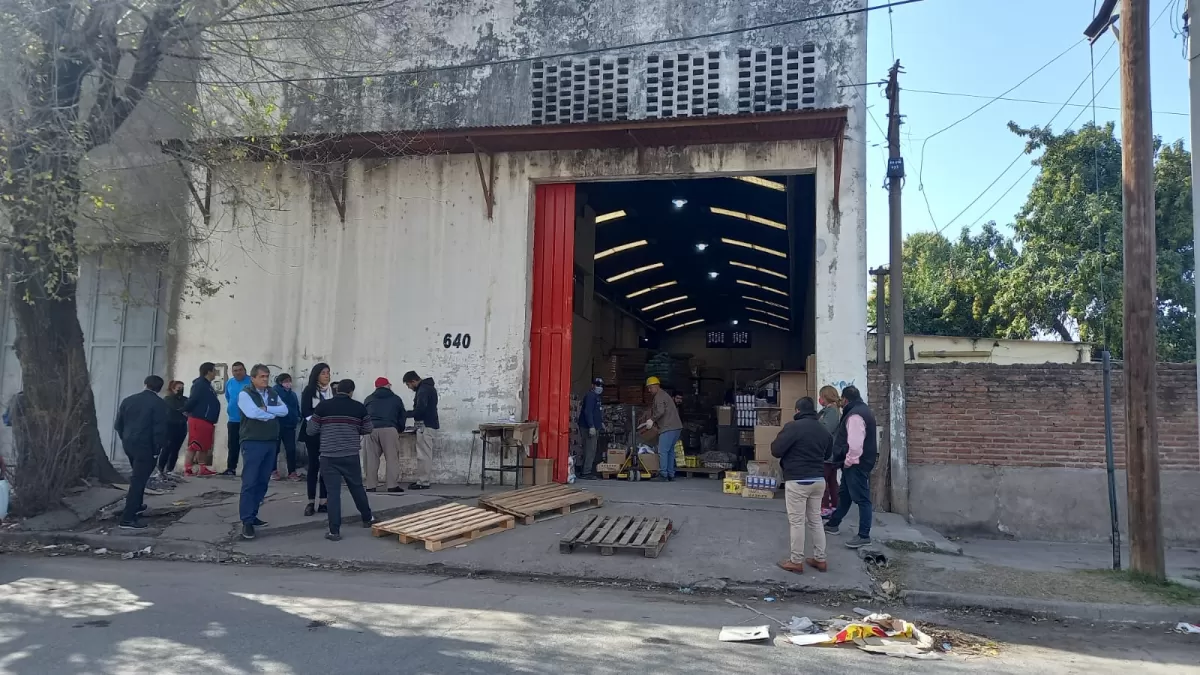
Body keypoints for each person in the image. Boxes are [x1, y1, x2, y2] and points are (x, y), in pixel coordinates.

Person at [771, 397, 832, 573]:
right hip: (818, 480)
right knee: (815, 520)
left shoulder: (793, 427)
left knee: (797, 522)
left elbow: (776, 450)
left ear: (797, 410)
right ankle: (820, 559)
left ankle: (796, 561)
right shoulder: (823, 430)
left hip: (797, 480)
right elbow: (828, 453)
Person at [310, 379, 376, 541]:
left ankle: (334, 531)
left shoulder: (323, 406)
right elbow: (368, 428)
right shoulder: (358, 407)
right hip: (350, 455)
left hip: (328, 456)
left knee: (333, 494)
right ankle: (367, 519)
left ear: (337, 389)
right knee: (357, 488)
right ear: (351, 391)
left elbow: (311, 430)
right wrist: (354, 429)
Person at [236, 364, 289, 540]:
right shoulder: (245, 394)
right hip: (252, 441)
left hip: (270, 442)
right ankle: (247, 521)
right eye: (261, 377)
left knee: (263, 481)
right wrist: (270, 414)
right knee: (250, 481)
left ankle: (253, 514)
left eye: (267, 376)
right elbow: (252, 413)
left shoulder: (272, 393)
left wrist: (267, 410)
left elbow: (284, 410)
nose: (265, 379)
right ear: (253, 378)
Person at [823, 385, 878, 549]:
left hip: (856, 463)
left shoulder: (854, 416)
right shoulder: (863, 410)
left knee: (862, 499)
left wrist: (848, 461)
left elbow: (854, 444)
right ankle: (833, 523)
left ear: (845, 399)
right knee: (845, 495)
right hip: (858, 462)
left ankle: (864, 535)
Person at [113, 376, 169, 530]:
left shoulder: (129, 400)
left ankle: (137, 505)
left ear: (145, 384)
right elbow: (159, 430)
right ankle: (128, 518)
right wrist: (157, 451)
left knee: (139, 477)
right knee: (138, 480)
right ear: (159, 388)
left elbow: (118, 425)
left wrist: (126, 439)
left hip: (129, 443)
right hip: (146, 446)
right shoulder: (159, 404)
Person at [300, 362, 333, 516]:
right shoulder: (309, 390)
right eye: (323, 373)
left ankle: (324, 501)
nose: (327, 375)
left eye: (328, 372)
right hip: (313, 432)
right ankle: (311, 501)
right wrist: (317, 423)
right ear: (317, 375)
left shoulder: (332, 391)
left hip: (328, 433)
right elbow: (305, 411)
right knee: (313, 466)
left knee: (326, 466)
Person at [363, 377, 406, 493]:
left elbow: (363, 415)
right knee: (392, 458)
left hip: (371, 430)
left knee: (371, 459)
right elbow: (402, 416)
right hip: (389, 429)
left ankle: (370, 485)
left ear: (376, 387)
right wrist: (399, 429)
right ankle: (392, 485)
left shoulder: (369, 398)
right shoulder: (395, 399)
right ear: (387, 385)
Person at [640, 377, 682, 481]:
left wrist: (652, 420)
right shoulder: (664, 395)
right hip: (676, 428)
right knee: (670, 451)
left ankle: (663, 474)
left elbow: (660, 411)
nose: (649, 391)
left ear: (655, 386)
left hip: (668, 428)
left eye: (650, 388)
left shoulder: (659, 396)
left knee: (662, 451)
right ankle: (670, 474)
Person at [182, 362, 221, 476]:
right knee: (195, 444)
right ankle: (188, 468)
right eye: (214, 371)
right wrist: (184, 409)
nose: (215, 374)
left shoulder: (207, 385)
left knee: (204, 445)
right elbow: (193, 399)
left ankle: (202, 468)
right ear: (208, 371)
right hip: (199, 418)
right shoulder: (200, 384)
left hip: (207, 419)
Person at [404, 371, 438, 490]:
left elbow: (420, 409)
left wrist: (405, 414)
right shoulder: (428, 388)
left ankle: (423, 482)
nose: (409, 388)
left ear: (413, 381)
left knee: (423, 455)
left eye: (408, 385)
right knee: (425, 454)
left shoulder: (423, 390)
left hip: (425, 425)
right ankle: (423, 480)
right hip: (428, 425)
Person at [817, 385, 842, 518]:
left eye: (821, 396)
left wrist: (817, 423)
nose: (819, 399)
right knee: (831, 481)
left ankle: (825, 507)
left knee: (823, 481)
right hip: (831, 452)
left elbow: (827, 429)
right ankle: (834, 507)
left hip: (828, 453)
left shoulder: (832, 411)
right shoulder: (828, 410)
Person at [222, 362, 251, 476]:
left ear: (245, 370)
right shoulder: (230, 382)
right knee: (232, 445)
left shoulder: (251, 381)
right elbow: (228, 398)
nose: (238, 372)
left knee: (248, 446)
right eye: (235, 370)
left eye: (240, 370)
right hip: (233, 419)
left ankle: (249, 469)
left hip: (248, 420)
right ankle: (231, 468)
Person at [273, 373, 301, 481]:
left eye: (289, 380)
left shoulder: (292, 394)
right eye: (286, 381)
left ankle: (292, 472)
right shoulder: (275, 392)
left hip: (290, 425)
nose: (288, 383)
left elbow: (296, 407)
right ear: (280, 382)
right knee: (275, 449)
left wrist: (298, 416)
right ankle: (273, 471)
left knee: (291, 449)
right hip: (278, 424)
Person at [159, 380, 189, 479]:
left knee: (176, 449)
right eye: (179, 388)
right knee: (167, 448)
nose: (181, 390)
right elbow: (176, 408)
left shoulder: (185, 399)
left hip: (182, 426)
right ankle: (160, 469)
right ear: (172, 388)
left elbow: (190, 408)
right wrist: (183, 410)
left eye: (182, 387)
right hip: (170, 426)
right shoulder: (168, 399)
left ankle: (170, 470)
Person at [577, 378, 604, 479]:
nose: (599, 388)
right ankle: (586, 472)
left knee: (590, 449)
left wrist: (601, 423)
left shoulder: (596, 397)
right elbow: (588, 412)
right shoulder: (590, 396)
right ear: (592, 385)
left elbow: (597, 412)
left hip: (594, 426)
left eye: (601, 386)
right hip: (588, 427)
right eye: (597, 385)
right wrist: (591, 426)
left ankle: (585, 469)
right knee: (590, 449)